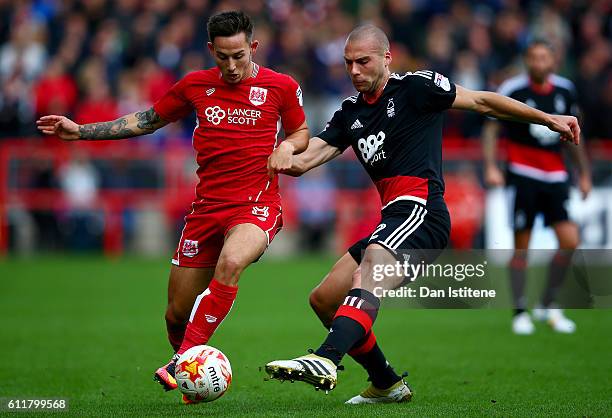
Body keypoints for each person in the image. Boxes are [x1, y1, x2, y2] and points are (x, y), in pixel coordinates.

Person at [264, 25, 581, 404]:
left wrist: (546, 118)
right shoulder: (350, 114)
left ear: (386, 58)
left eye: (363, 62)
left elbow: (482, 102)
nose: (354, 71)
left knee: (369, 273)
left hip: (422, 212)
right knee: (324, 299)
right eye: (348, 63)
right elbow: (306, 159)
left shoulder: (417, 87)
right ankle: (386, 383)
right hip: (392, 219)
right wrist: (283, 152)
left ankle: (325, 358)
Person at [37, 11, 309, 401]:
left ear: (254, 47)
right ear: (211, 50)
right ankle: (190, 377)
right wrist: (80, 131)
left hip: (256, 204)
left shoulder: (281, 87)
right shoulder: (195, 86)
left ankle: (181, 361)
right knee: (175, 315)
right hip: (206, 211)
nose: (231, 66)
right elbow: (147, 120)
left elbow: (301, 132)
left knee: (231, 264)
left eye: (239, 56)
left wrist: (286, 145)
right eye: (223, 57)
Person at [482, 40, 591, 335]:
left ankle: (548, 303)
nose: (539, 62)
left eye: (545, 57)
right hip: (523, 175)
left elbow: (573, 133)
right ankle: (520, 312)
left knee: (569, 241)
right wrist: (491, 166)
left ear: (553, 61)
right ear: (527, 61)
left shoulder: (565, 90)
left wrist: (583, 173)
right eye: (534, 57)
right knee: (522, 248)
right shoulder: (513, 89)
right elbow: (491, 128)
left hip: (556, 176)